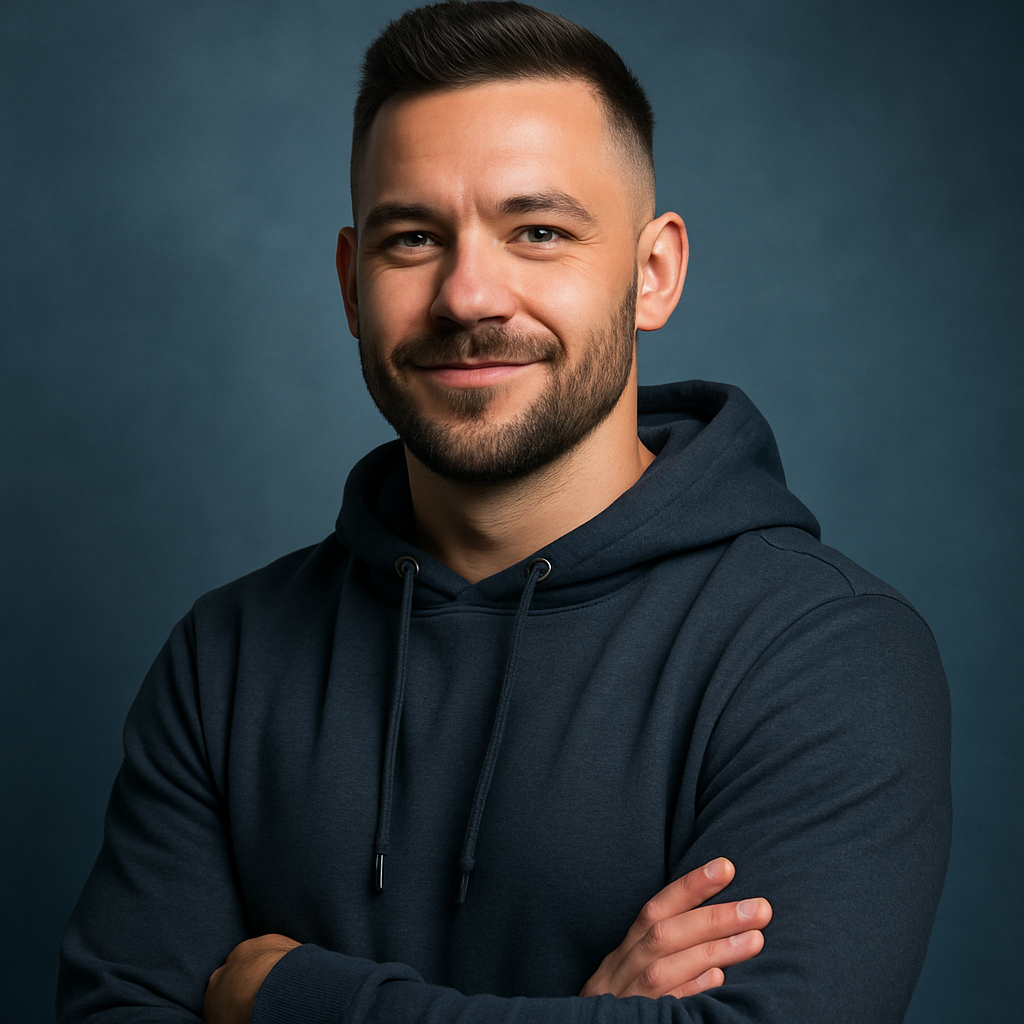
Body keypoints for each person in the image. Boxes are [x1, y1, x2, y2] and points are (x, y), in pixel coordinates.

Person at [57, 3, 951, 1022]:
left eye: (538, 232)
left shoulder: (822, 652)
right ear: (351, 286)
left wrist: (286, 997)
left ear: (652, 273)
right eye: (412, 238)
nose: (468, 296)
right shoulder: (226, 655)